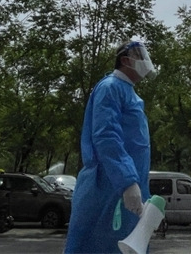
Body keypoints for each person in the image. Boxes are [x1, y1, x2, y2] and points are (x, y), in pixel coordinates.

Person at [64, 41, 157, 253]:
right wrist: (126, 181)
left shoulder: (127, 91)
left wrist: (136, 184)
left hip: (126, 185)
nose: (145, 61)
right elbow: (106, 136)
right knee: (102, 245)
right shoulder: (110, 87)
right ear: (125, 60)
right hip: (109, 185)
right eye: (140, 56)